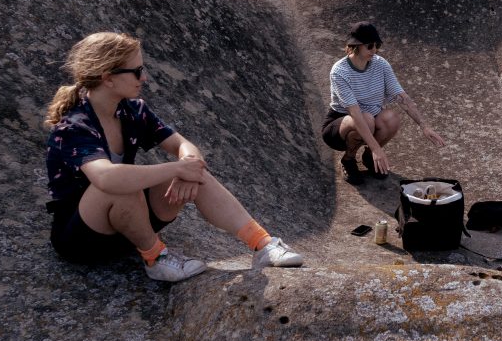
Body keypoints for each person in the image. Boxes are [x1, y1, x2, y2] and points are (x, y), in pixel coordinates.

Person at [44, 32, 303, 282]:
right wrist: (177, 170)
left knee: (195, 173)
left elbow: (183, 145)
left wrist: (188, 168)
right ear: (108, 78)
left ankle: (262, 244)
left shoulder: (133, 111)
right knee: (122, 183)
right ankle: (155, 258)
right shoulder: (75, 126)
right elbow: (106, 178)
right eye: (136, 71)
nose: (143, 77)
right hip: (82, 238)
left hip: (127, 228)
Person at [321, 21, 445, 184]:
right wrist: (377, 149)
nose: (375, 50)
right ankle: (349, 160)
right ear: (356, 46)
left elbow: (402, 97)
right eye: (370, 46)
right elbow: (356, 114)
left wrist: (424, 126)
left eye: (377, 45)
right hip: (340, 126)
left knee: (392, 118)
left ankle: (367, 158)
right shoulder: (340, 71)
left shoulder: (380, 64)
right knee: (366, 119)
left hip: (368, 119)